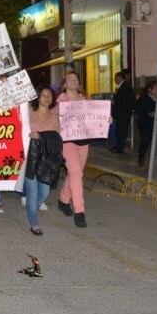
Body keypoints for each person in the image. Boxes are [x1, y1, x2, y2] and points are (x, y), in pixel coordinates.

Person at [23, 86, 62, 236]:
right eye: (43, 94)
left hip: (47, 160)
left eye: (49, 95)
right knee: (32, 192)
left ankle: (32, 208)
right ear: (38, 97)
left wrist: (41, 136)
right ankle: (34, 223)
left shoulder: (54, 117)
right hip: (31, 158)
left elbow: (57, 139)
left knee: (44, 192)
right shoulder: (28, 112)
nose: (47, 97)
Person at [57, 71, 89, 228]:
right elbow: (54, 117)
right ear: (64, 84)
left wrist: (106, 119)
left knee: (76, 173)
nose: (73, 81)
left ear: (79, 83)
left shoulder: (84, 100)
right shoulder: (60, 101)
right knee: (76, 172)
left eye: (75, 79)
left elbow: (93, 118)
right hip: (67, 141)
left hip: (83, 141)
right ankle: (79, 211)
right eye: (69, 79)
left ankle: (63, 200)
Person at [134, 81, 157, 167]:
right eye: (155, 89)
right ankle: (141, 157)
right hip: (145, 125)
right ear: (149, 90)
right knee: (145, 142)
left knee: (156, 143)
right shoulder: (143, 99)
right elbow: (138, 110)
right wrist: (149, 113)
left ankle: (156, 160)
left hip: (155, 125)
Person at [111, 71, 135, 154]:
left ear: (121, 78)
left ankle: (120, 148)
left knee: (122, 132)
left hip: (123, 114)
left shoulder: (126, 87)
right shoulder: (122, 87)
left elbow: (126, 102)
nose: (115, 80)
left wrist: (115, 102)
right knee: (119, 131)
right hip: (120, 114)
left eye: (116, 78)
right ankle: (118, 146)